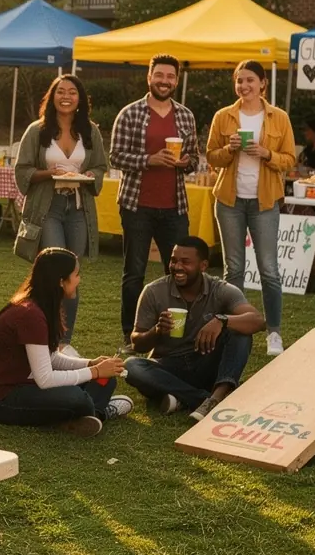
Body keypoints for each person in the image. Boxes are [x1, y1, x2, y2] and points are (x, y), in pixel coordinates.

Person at [0, 247, 131, 436]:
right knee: (77, 398)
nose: (79, 280)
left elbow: (52, 358)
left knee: (106, 380)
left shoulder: (43, 306)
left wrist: (92, 364)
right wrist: (94, 371)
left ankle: (89, 416)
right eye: (76, 275)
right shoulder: (30, 314)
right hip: (0, 399)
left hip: (27, 385)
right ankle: (96, 412)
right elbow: (45, 379)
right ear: (60, 281)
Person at [206, 60, 296, 357]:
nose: (244, 86)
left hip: (264, 203)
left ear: (262, 84)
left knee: (269, 270)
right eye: (239, 81)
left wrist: (267, 153)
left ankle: (274, 332)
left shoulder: (278, 118)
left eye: (249, 81)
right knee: (234, 271)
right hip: (229, 201)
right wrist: (229, 150)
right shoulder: (224, 116)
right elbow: (212, 157)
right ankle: (233, 329)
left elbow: (289, 159)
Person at [109, 54, 199, 348]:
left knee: (179, 272)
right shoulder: (130, 113)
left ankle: (176, 332)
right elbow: (116, 156)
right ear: (150, 77)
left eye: (170, 76)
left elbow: (194, 159)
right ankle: (132, 334)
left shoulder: (185, 115)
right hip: (137, 206)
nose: (164, 81)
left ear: (176, 80)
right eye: (159, 75)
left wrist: (186, 162)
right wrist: (149, 159)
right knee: (134, 272)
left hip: (175, 207)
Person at [124, 237, 265, 422]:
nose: (177, 267)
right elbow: (137, 342)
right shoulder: (154, 291)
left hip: (206, 361)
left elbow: (258, 320)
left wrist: (221, 320)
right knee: (132, 366)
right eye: (174, 260)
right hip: (168, 366)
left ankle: (192, 397)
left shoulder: (220, 290)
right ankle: (207, 400)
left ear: (203, 265)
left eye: (185, 262)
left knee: (241, 332)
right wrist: (156, 331)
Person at [14, 74, 109, 349]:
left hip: (78, 208)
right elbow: (22, 171)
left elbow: (102, 166)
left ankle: (64, 342)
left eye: (72, 92)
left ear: (80, 99)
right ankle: (44, 337)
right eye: (60, 92)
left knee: (72, 276)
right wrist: (47, 173)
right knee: (55, 273)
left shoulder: (90, 132)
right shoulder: (37, 131)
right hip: (49, 208)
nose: (66, 96)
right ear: (52, 97)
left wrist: (92, 173)